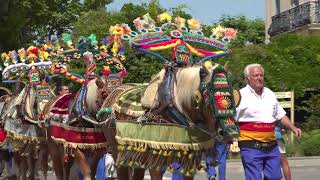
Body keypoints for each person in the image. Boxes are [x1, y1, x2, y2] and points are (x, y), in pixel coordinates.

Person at [235, 63, 302, 180]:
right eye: (256, 75)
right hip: (250, 146)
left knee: (275, 176)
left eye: (261, 75)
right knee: (254, 177)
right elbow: (230, 118)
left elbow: (280, 115)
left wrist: (293, 127)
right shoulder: (239, 95)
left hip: (271, 146)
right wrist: (231, 138)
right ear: (247, 78)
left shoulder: (270, 94)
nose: (259, 78)